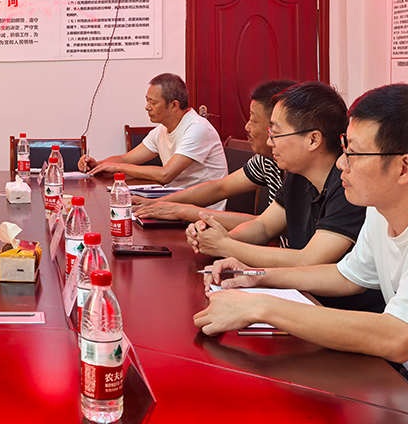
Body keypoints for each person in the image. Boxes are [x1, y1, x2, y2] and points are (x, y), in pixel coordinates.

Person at [194, 84, 408, 424]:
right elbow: (346, 275)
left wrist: (260, 307)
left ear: (404, 167)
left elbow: (396, 337)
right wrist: (256, 277)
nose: (342, 162)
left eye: (354, 153)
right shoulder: (383, 203)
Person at [186, 81, 381, 311]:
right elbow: (263, 227)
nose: (270, 142)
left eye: (276, 133)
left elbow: (310, 260)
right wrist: (216, 236)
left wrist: (225, 246)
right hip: (303, 297)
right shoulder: (298, 175)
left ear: (313, 140)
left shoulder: (348, 185)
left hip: (341, 311)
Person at [133, 79, 295, 238]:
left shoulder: (300, 172)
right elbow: (220, 187)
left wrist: (184, 211)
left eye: (253, 120)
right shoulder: (266, 160)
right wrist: (159, 203)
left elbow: (265, 226)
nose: (247, 127)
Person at [78, 73, 227, 200]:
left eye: (153, 103)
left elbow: (165, 175)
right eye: (147, 100)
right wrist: (97, 165)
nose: (147, 107)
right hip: (176, 200)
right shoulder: (161, 130)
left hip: (202, 208)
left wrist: (117, 167)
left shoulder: (197, 128)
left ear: (174, 105)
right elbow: (126, 159)